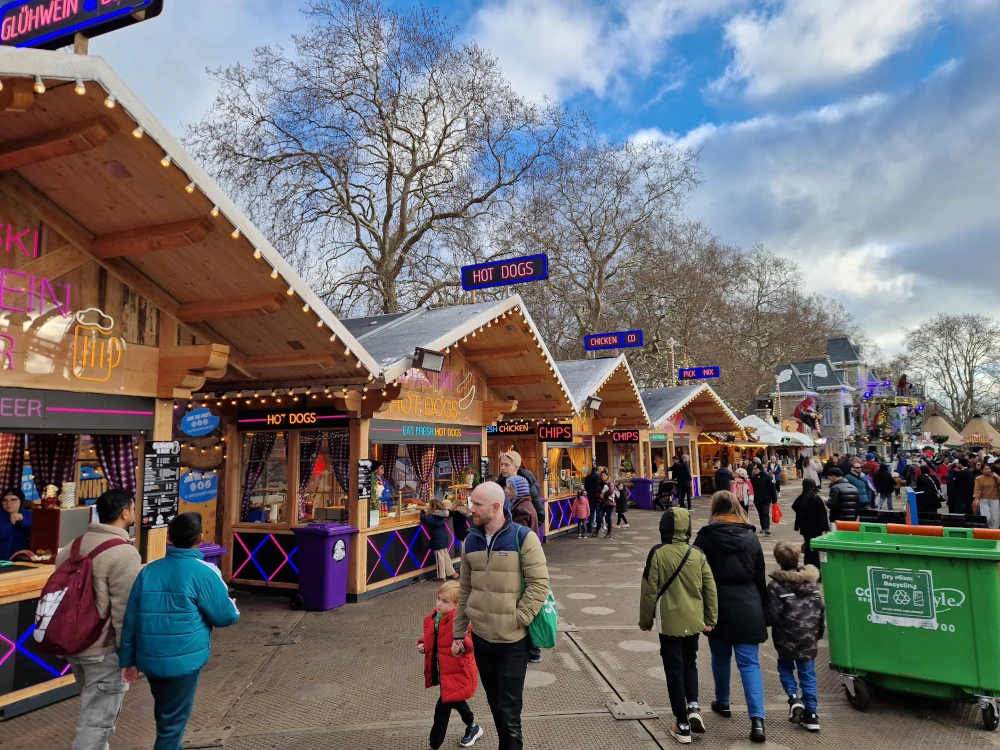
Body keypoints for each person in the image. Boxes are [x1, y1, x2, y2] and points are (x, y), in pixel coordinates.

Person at [120, 512, 239, 750]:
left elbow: (130, 619)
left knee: (166, 713)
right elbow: (225, 616)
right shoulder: (204, 572)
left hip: (150, 657)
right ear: (200, 538)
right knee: (172, 723)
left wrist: (128, 660)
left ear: (169, 538)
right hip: (184, 660)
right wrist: (234, 609)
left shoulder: (149, 571)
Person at [453, 483, 548, 750]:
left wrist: (519, 618)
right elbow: (465, 589)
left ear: (496, 507)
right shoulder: (470, 540)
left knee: (508, 710)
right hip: (482, 639)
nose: (471, 509)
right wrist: (459, 633)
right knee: (495, 703)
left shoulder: (524, 538)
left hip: (513, 641)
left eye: (477, 505)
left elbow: (540, 584)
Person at [55, 489, 142, 750]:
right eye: (134, 509)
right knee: (97, 723)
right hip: (103, 651)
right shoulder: (124, 553)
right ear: (125, 513)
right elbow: (125, 611)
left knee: (94, 711)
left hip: (73, 644)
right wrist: (130, 657)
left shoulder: (72, 546)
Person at [693, 491, 768, 744]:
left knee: (720, 656)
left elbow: (697, 574)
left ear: (714, 508)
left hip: (718, 604)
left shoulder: (706, 537)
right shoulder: (751, 536)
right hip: (749, 602)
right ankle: (757, 719)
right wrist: (764, 608)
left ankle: (723, 701)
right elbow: (760, 575)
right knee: (750, 663)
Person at [639, 507, 718, 744]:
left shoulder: (657, 553)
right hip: (694, 620)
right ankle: (693, 706)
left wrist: (646, 620)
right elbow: (709, 588)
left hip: (669, 621)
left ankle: (682, 722)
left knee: (673, 668)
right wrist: (710, 618)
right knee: (690, 662)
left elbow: (649, 589)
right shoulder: (698, 554)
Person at [766, 542, 824, 733]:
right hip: (808, 637)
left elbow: (773, 615)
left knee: (784, 668)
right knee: (808, 675)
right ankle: (812, 714)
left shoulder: (776, 585)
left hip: (786, 637)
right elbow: (820, 609)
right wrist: (818, 633)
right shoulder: (811, 582)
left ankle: (793, 697)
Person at [417, 580, 484, 749]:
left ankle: (433, 745)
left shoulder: (459, 620)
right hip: (444, 670)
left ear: (457, 604)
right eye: (438, 599)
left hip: (458, 671)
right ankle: (473, 726)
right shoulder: (436, 616)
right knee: (456, 700)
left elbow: (471, 640)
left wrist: (462, 646)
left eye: (445, 601)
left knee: (442, 709)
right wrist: (423, 644)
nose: (439, 604)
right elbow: (431, 635)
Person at [791, 479, 828, 569]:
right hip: (816, 528)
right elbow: (822, 514)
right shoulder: (816, 498)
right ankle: (816, 569)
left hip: (805, 529)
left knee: (808, 548)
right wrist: (826, 528)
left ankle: (807, 567)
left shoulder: (802, 497)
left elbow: (794, 506)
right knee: (815, 550)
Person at [495, 451, 543, 521]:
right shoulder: (499, 484)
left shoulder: (527, 486)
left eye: (506, 465)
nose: (503, 468)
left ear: (516, 468)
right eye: (501, 464)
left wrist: (526, 530)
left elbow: (540, 514)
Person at [422, 499, 458, 581]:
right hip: (443, 538)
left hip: (436, 539)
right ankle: (452, 573)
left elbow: (424, 519)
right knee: (445, 556)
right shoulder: (441, 515)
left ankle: (441, 576)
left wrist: (422, 512)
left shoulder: (432, 517)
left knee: (439, 558)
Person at [0, 487, 32, 560]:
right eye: (5, 500)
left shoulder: (28, 515)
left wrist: (23, 522)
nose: (9, 503)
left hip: (21, 559)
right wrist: (11, 524)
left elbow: (36, 534)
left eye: (13, 500)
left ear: (21, 501)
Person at [749, 465, 775, 536]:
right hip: (757, 499)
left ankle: (767, 528)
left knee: (765, 512)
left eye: (756, 469)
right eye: (753, 469)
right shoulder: (753, 478)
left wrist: (774, 499)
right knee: (760, 513)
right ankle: (763, 526)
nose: (754, 470)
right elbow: (751, 489)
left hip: (766, 498)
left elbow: (772, 488)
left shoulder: (767, 477)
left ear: (760, 469)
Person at [973, 462, 1000, 529]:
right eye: (985, 469)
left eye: (989, 469)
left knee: (995, 518)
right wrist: (976, 498)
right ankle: (988, 530)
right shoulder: (978, 478)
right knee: (987, 517)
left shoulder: (995, 477)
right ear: (981, 470)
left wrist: (997, 477)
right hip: (983, 500)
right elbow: (977, 489)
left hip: (995, 499)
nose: (988, 470)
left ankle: (995, 532)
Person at [593, 470, 615, 538]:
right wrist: (599, 495)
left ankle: (609, 533)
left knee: (608, 517)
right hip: (601, 502)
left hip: (609, 502)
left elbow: (611, 491)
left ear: (607, 476)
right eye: (601, 476)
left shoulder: (610, 482)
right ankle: (597, 531)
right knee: (599, 517)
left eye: (604, 476)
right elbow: (596, 492)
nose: (603, 477)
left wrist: (604, 495)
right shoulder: (599, 483)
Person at [584, 465, 602, 532]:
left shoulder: (587, 477)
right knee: (598, 512)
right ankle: (598, 527)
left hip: (590, 496)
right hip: (598, 496)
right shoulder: (598, 477)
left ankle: (590, 527)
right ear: (597, 470)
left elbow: (585, 487)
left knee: (591, 512)